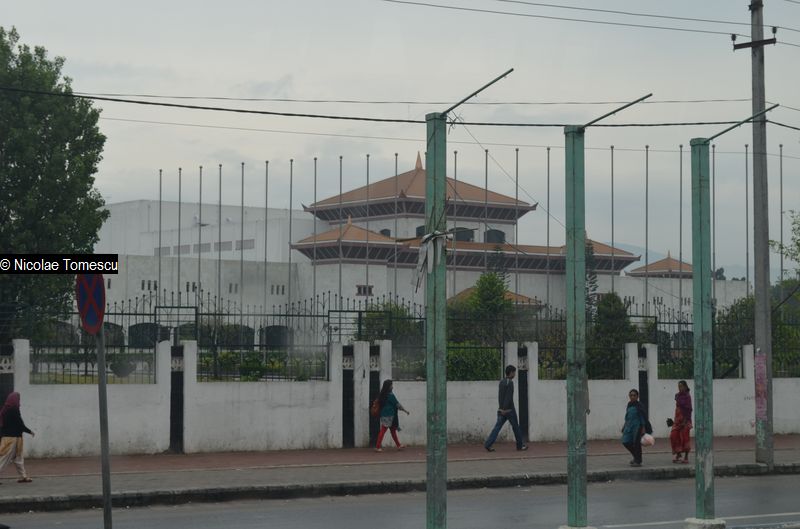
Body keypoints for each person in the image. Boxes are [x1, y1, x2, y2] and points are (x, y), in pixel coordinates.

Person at [484, 365, 528, 452]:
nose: (515, 374)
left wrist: (501, 408)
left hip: (501, 410)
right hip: (509, 410)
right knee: (516, 427)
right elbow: (508, 397)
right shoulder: (510, 383)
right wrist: (505, 409)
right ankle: (520, 446)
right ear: (511, 372)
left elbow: (500, 397)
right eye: (514, 372)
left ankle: (488, 444)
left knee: (497, 428)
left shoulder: (502, 382)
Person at [0, 392, 35, 482]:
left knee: (18, 458)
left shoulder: (5, 410)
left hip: (11, 438)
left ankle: (23, 476)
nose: (19, 401)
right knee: (5, 459)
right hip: (12, 439)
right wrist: (29, 431)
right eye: (18, 399)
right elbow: (20, 424)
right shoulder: (13, 410)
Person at [374, 380, 409, 452]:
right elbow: (397, 404)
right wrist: (405, 411)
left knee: (392, 431)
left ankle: (399, 445)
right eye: (391, 385)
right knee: (384, 430)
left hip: (384, 415)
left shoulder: (382, 394)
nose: (392, 386)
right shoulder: (390, 395)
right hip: (390, 416)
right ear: (388, 386)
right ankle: (377, 447)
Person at [621, 388, 647, 467]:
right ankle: (636, 456)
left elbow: (642, 417)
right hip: (629, 427)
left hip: (637, 427)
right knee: (625, 441)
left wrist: (643, 428)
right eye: (631, 395)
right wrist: (624, 426)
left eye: (634, 395)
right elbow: (627, 416)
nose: (632, 397)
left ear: (637, 396)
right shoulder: (629, 405)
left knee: (636, 444)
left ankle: (638, 461)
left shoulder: (639, 406)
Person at [670, 380, 693, 464]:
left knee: (685, 438)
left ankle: (686, 456)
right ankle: (678, 454)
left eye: (681, 386)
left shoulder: (687, 396)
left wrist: (685, 420)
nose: (680, 388)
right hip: (677, 419)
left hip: (685, 419)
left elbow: (689, 409)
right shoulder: (677, 396)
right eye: (679, 386)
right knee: (673, 435)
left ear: (685, 386)